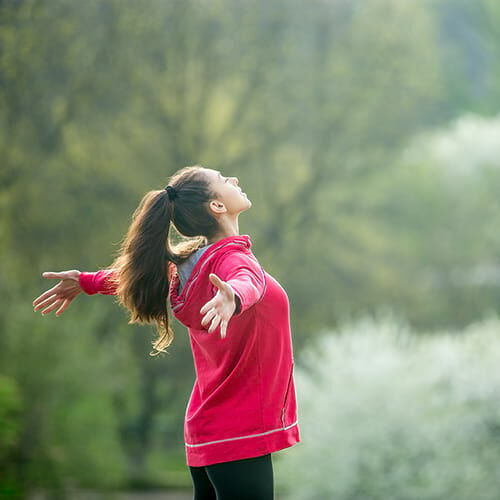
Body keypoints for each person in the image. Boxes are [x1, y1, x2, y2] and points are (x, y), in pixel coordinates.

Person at [32, 165, 300, 499]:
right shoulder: (231, 259)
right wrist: (234, 296)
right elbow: (247, 279)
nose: (234, 180)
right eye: (223, 179)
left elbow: (140, 274)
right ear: (217, 206)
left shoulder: (192, 264)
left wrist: (86, 281)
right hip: (238, 430)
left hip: (211, 428)